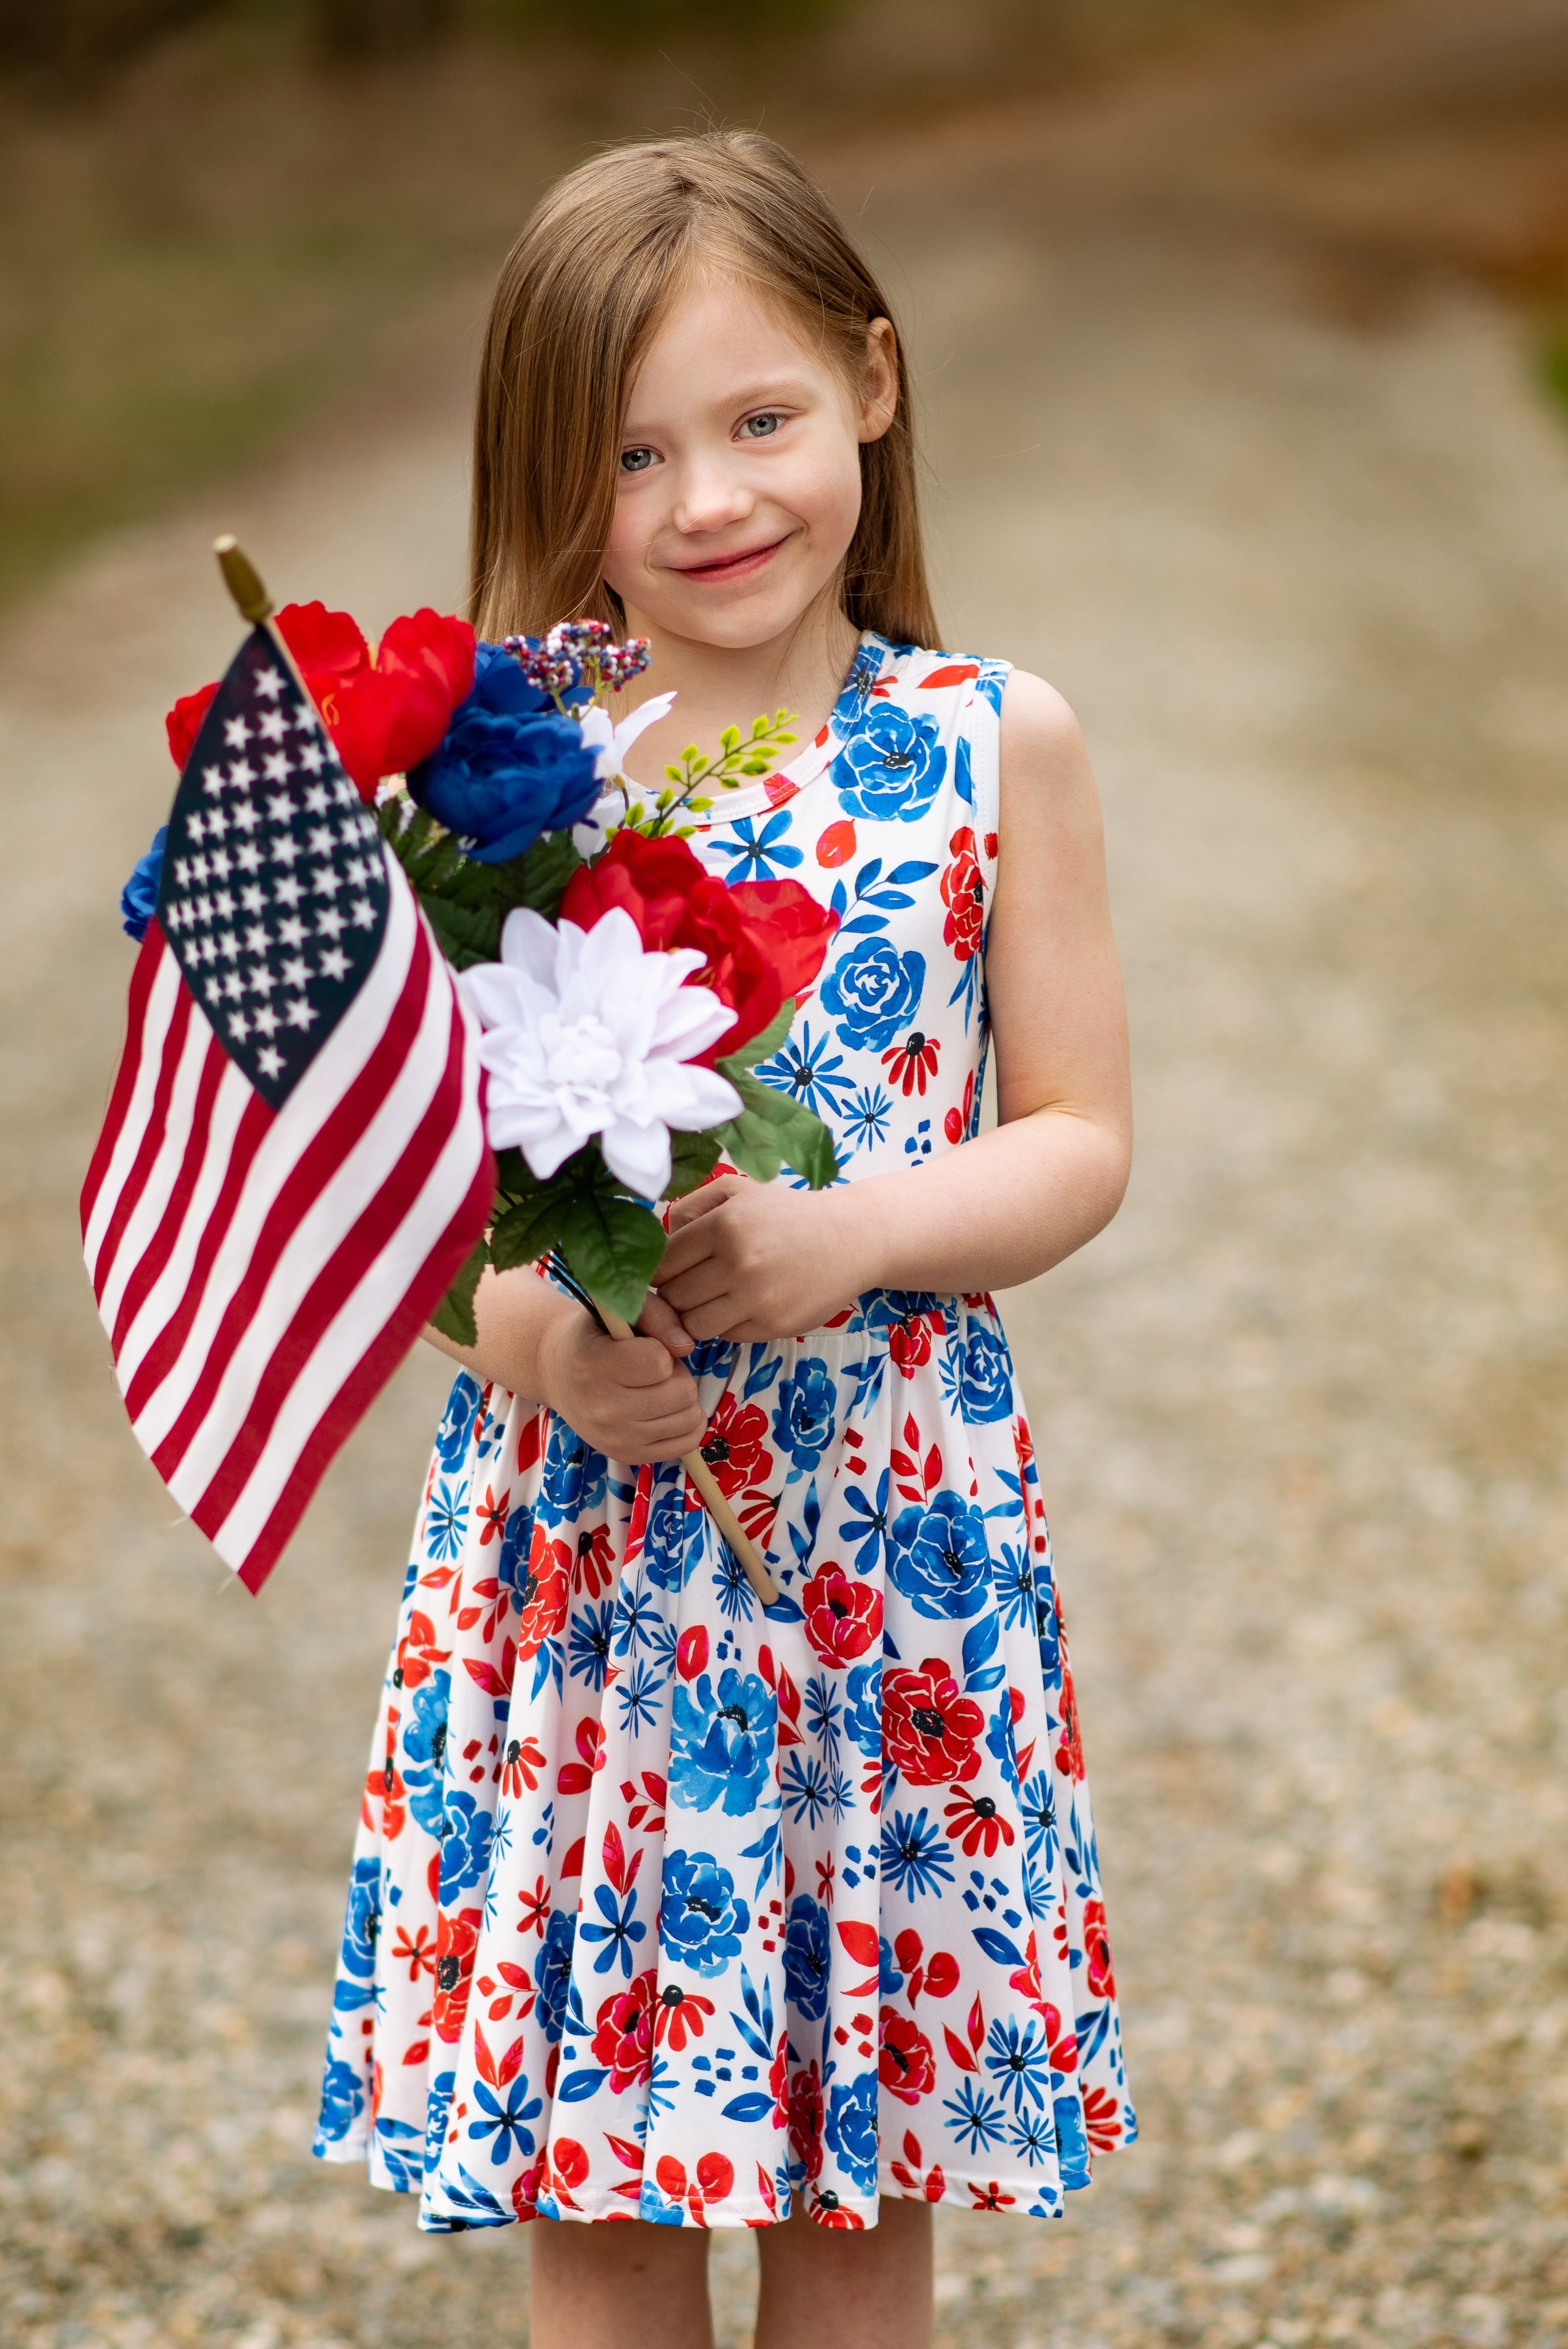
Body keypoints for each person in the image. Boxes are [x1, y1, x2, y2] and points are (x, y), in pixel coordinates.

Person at [313, 130, 1136, 2349]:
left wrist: (851, 1238)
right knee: (608, 2181)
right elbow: (413, 1209)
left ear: (872, 383)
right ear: (547, 480)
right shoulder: (509, 767)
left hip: (891, 1559)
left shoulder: (986, 744)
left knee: (861, 2182)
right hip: (590, 1572)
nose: (707, 501)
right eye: (630, 456)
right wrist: (537, 1349)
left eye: (760, 420)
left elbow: (1075, 1134)